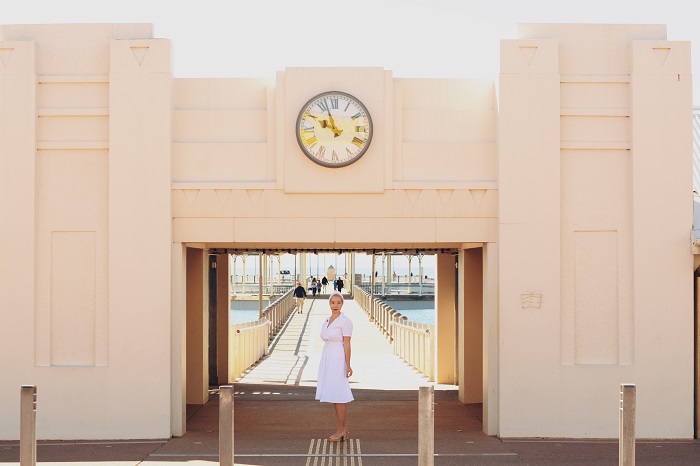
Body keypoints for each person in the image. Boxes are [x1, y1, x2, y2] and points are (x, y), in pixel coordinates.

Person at [316, 291, 353, 442]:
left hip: (338, 357)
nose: (335, 305)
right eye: (333, 302)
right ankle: (342, 428)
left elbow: (347, 343)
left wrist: (348, 364)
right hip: (327, 356)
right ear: (329, 304)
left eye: (338, 303)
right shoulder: (327, 320)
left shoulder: (345, 321)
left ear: (342, 304)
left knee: (339, 395)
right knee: (333, 394)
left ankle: (341, 429)